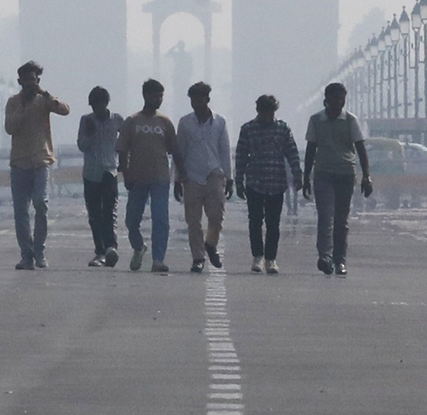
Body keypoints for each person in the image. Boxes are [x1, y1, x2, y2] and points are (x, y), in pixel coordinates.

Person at [4, 61, 70, 270]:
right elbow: (9, 128)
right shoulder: (13, 102)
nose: (30, 84)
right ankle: (27, 255)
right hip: (19, 162)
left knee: (41, 203)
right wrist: (23, 108)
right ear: (19, 82)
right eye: (26, 81)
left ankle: (40, 251)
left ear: (38, 81)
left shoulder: (44, 101)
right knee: (21, 211)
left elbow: (65, 110)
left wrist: (45, 93)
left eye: (33, 80)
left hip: (41, 161)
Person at [302, 82, 373, 276]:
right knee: (325, 217)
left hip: (345, 174)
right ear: (326, 100)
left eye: (341, 100)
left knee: (342, 220)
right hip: (323, 173)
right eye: (334, 99)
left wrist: (367, 176)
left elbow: (360, 149)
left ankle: (340, 260)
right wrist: (306, 177)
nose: (338, 104)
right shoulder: (316, 120)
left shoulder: (350, 121)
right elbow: (310, 149)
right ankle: (325, 256)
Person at [233, 94, 303, 274]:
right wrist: (238, 181)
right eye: (265, 112)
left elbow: (292, 152)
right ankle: (258, 256)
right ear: (258, 111)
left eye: (271, 112)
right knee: (255, 221)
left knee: (273, 223)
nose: (268, 116)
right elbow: (241, 156)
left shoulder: (282, 128)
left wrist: (297, 174)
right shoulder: (248, 129)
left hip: (276, 181)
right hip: (255, 181)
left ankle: (271, 258)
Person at [116, 78, 178, 274]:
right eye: (154, 96)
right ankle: (138, 246)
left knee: (160, 219)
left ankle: (158, 259)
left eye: (160, 96)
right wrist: (125, 174)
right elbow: (123, 150)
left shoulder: (165, 122)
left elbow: (174, 150)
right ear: (145, 95)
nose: (158, 100)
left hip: (160, 177)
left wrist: (180, 177)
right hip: (137, 177)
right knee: (131, 220)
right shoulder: (132, 121)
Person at [174, 81, 232, 273]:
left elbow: (224, 151)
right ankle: (198, 257)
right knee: (193, 220)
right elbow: (179, 151)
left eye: (199, 99)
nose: (196, 103)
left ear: (207, 99)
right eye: (193, 100)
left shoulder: (220, 122)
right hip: (191, 176)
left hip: (214, 174)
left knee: (216, 216)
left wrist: (229, 178)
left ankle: (211, 243)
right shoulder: (185, 123)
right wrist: (176, 179)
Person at [77, 86, 123, 267]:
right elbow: (82, 145)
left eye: (100, 104)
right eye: (94, 105)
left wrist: (124, 157)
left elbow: (127, 138)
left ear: (106, 103)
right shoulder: (86, 120)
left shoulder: (116, 120)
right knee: (94, 213)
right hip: (91, 172)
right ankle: (100, 251)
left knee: (109, 210)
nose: (98, 108)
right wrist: (89, 132)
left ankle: (111, 246)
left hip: (109, 170)